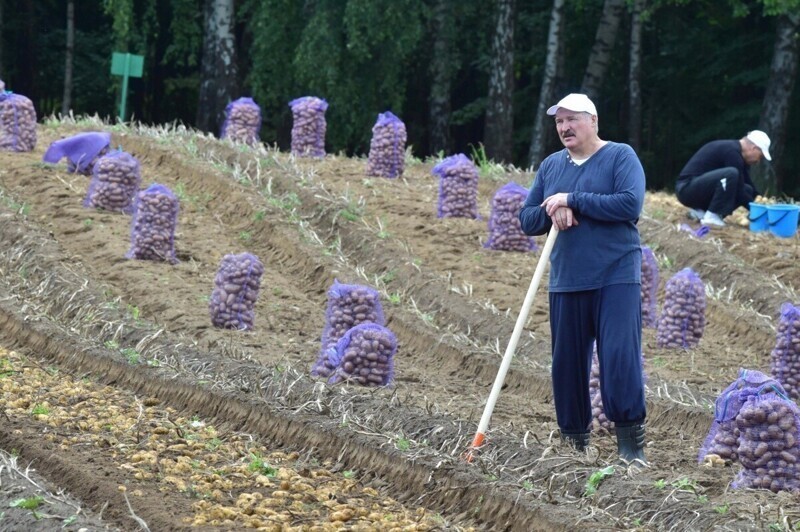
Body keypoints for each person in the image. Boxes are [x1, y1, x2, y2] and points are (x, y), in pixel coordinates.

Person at [519, 93, 647, 465]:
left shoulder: (620, 156)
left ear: (593, 120)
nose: (564, 127)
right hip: (567, 278)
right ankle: (574, 444)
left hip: (616, 274)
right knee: (566, 363)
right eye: (559, 122)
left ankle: (631, 447)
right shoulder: (550, 166)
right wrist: (553, 207)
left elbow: (629, 203)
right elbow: (527, 219)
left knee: (618, 356)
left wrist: (573, 199)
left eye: (572, 119)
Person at [675, 130, 771, 227]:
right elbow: (739, 190)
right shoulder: (732, 152)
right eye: (761, 156)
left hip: (697, 189)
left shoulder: (737, 154)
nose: (758, 161)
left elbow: (747, 185)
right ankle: (712, 217)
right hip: (686, 189)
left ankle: (701, 213)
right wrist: (757, 210)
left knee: (747, 189)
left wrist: (762, 201)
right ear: (754, 148)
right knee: (731, 174)